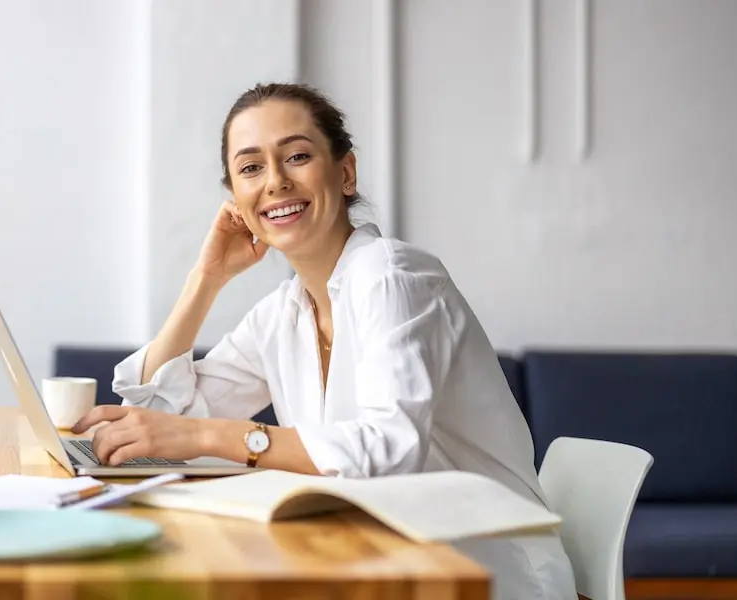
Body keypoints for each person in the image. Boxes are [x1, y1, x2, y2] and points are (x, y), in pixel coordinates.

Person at [70, 82, 577, 599]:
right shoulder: (283, 312)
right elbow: (167, 413)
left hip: (481, 570)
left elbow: (389, 448)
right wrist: (207, 278)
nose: (275, 181)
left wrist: (204, 438)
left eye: (296, 156)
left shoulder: (391, 276)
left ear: (346, 173)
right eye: (250, 168)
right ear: (237, 205)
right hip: (374, 558)